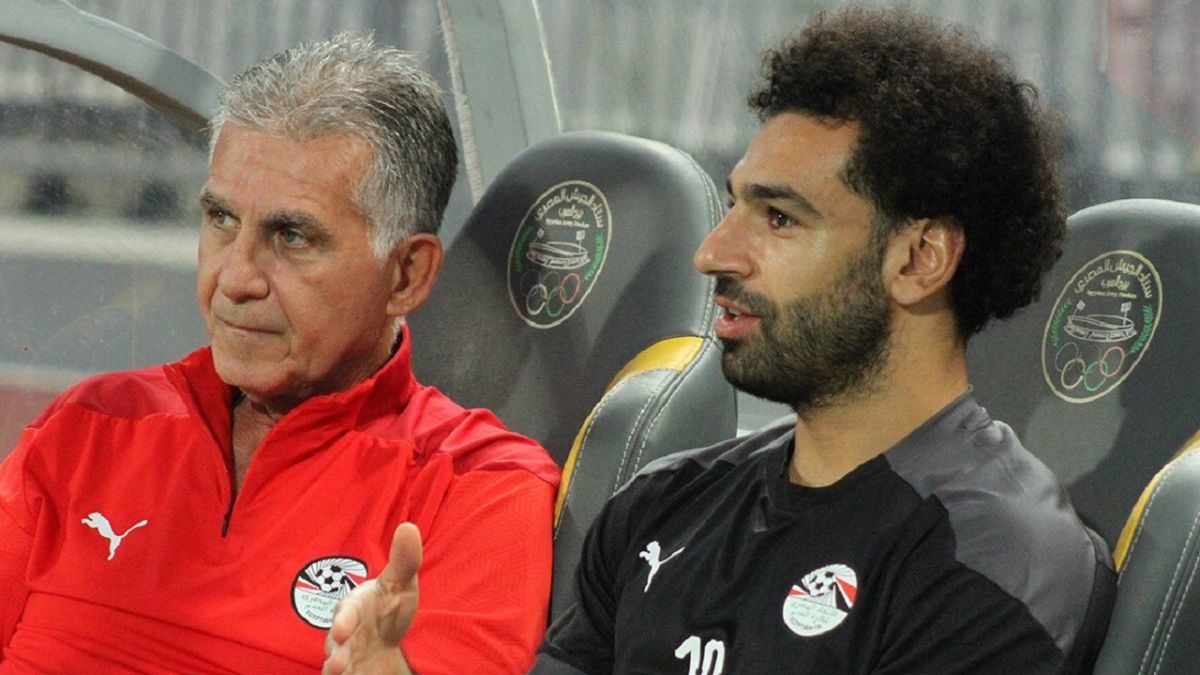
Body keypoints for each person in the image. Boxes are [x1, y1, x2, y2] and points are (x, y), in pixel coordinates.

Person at [532, 8, 1115, 674]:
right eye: (735, 205)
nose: (713, 252)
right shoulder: (659, 505)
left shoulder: (990, 563)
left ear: (918, 259)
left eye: (779, 218)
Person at [0, 34, 559, 674]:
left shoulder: (475, 492)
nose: (236, 279)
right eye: (221, 220)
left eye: (291, 236)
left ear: (406, 275)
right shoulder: (88, 430)